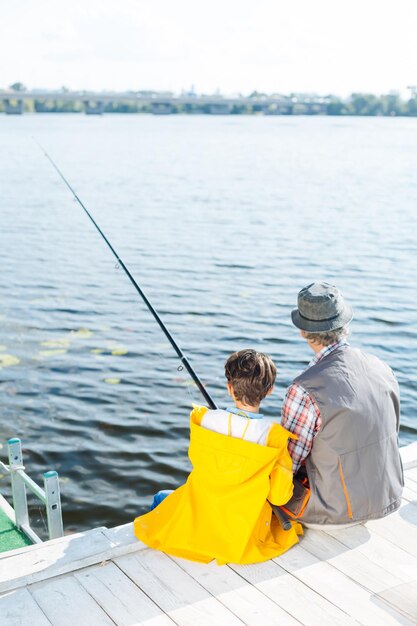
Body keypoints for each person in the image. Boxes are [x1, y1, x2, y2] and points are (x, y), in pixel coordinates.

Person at [134, 349, 302, 565]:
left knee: (160, 498)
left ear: (229, 388)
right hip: (240, 528)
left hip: (201, 512)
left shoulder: (202, 419)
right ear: (269, 391)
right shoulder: (274, 436)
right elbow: (280, 497)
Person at [281, 282, 403, 527]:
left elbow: (287, 465)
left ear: (303, 331)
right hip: (389, 495)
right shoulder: (381, 366)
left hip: (334, 512)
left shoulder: (304, 389)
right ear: (344, 323)